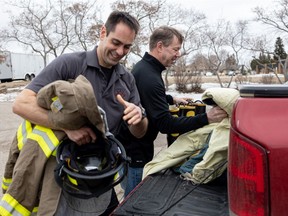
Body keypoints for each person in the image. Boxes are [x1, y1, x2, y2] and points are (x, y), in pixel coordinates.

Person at [8, 11, 148, 215]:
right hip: (64, 173)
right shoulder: (69, 64)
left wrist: (139, 117)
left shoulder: (127, 79)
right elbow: (21, 104)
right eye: (116, 42)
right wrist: (66, 127)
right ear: (103, 32)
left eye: (127, 47)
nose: (120, 51)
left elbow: (140, 133)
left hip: (102, 173)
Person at [118, 26, 228, 197]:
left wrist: (170, 99)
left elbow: (146, 97)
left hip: (129, 149)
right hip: (135, 154)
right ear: (160, 46)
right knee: (133, 201)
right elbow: (166, 124)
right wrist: (207, 118)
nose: (178, 54)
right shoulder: (150, 77)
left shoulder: (144, 68)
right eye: (175, 49)